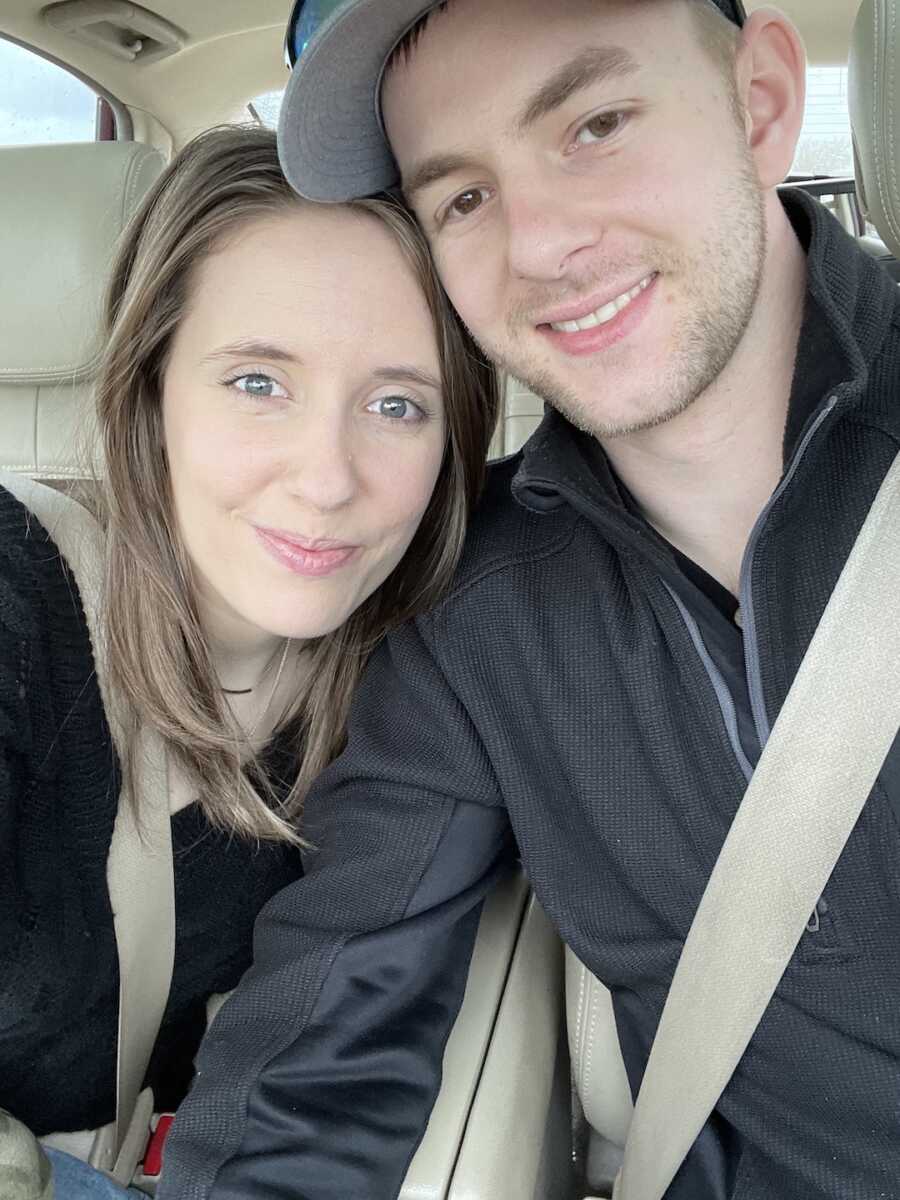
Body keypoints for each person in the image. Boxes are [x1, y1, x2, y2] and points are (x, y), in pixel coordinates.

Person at [157, 3, 900, 1198]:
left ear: (760, 104)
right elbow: (318, 1051)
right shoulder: (468, 612)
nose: (540, 244)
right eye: (459, 197)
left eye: (596, 123)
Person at [0, 124, 497, 1199]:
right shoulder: (15, 597)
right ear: (153, 385)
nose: (326, 480)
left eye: (397, 405)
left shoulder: (434, 696)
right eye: (258, 382)